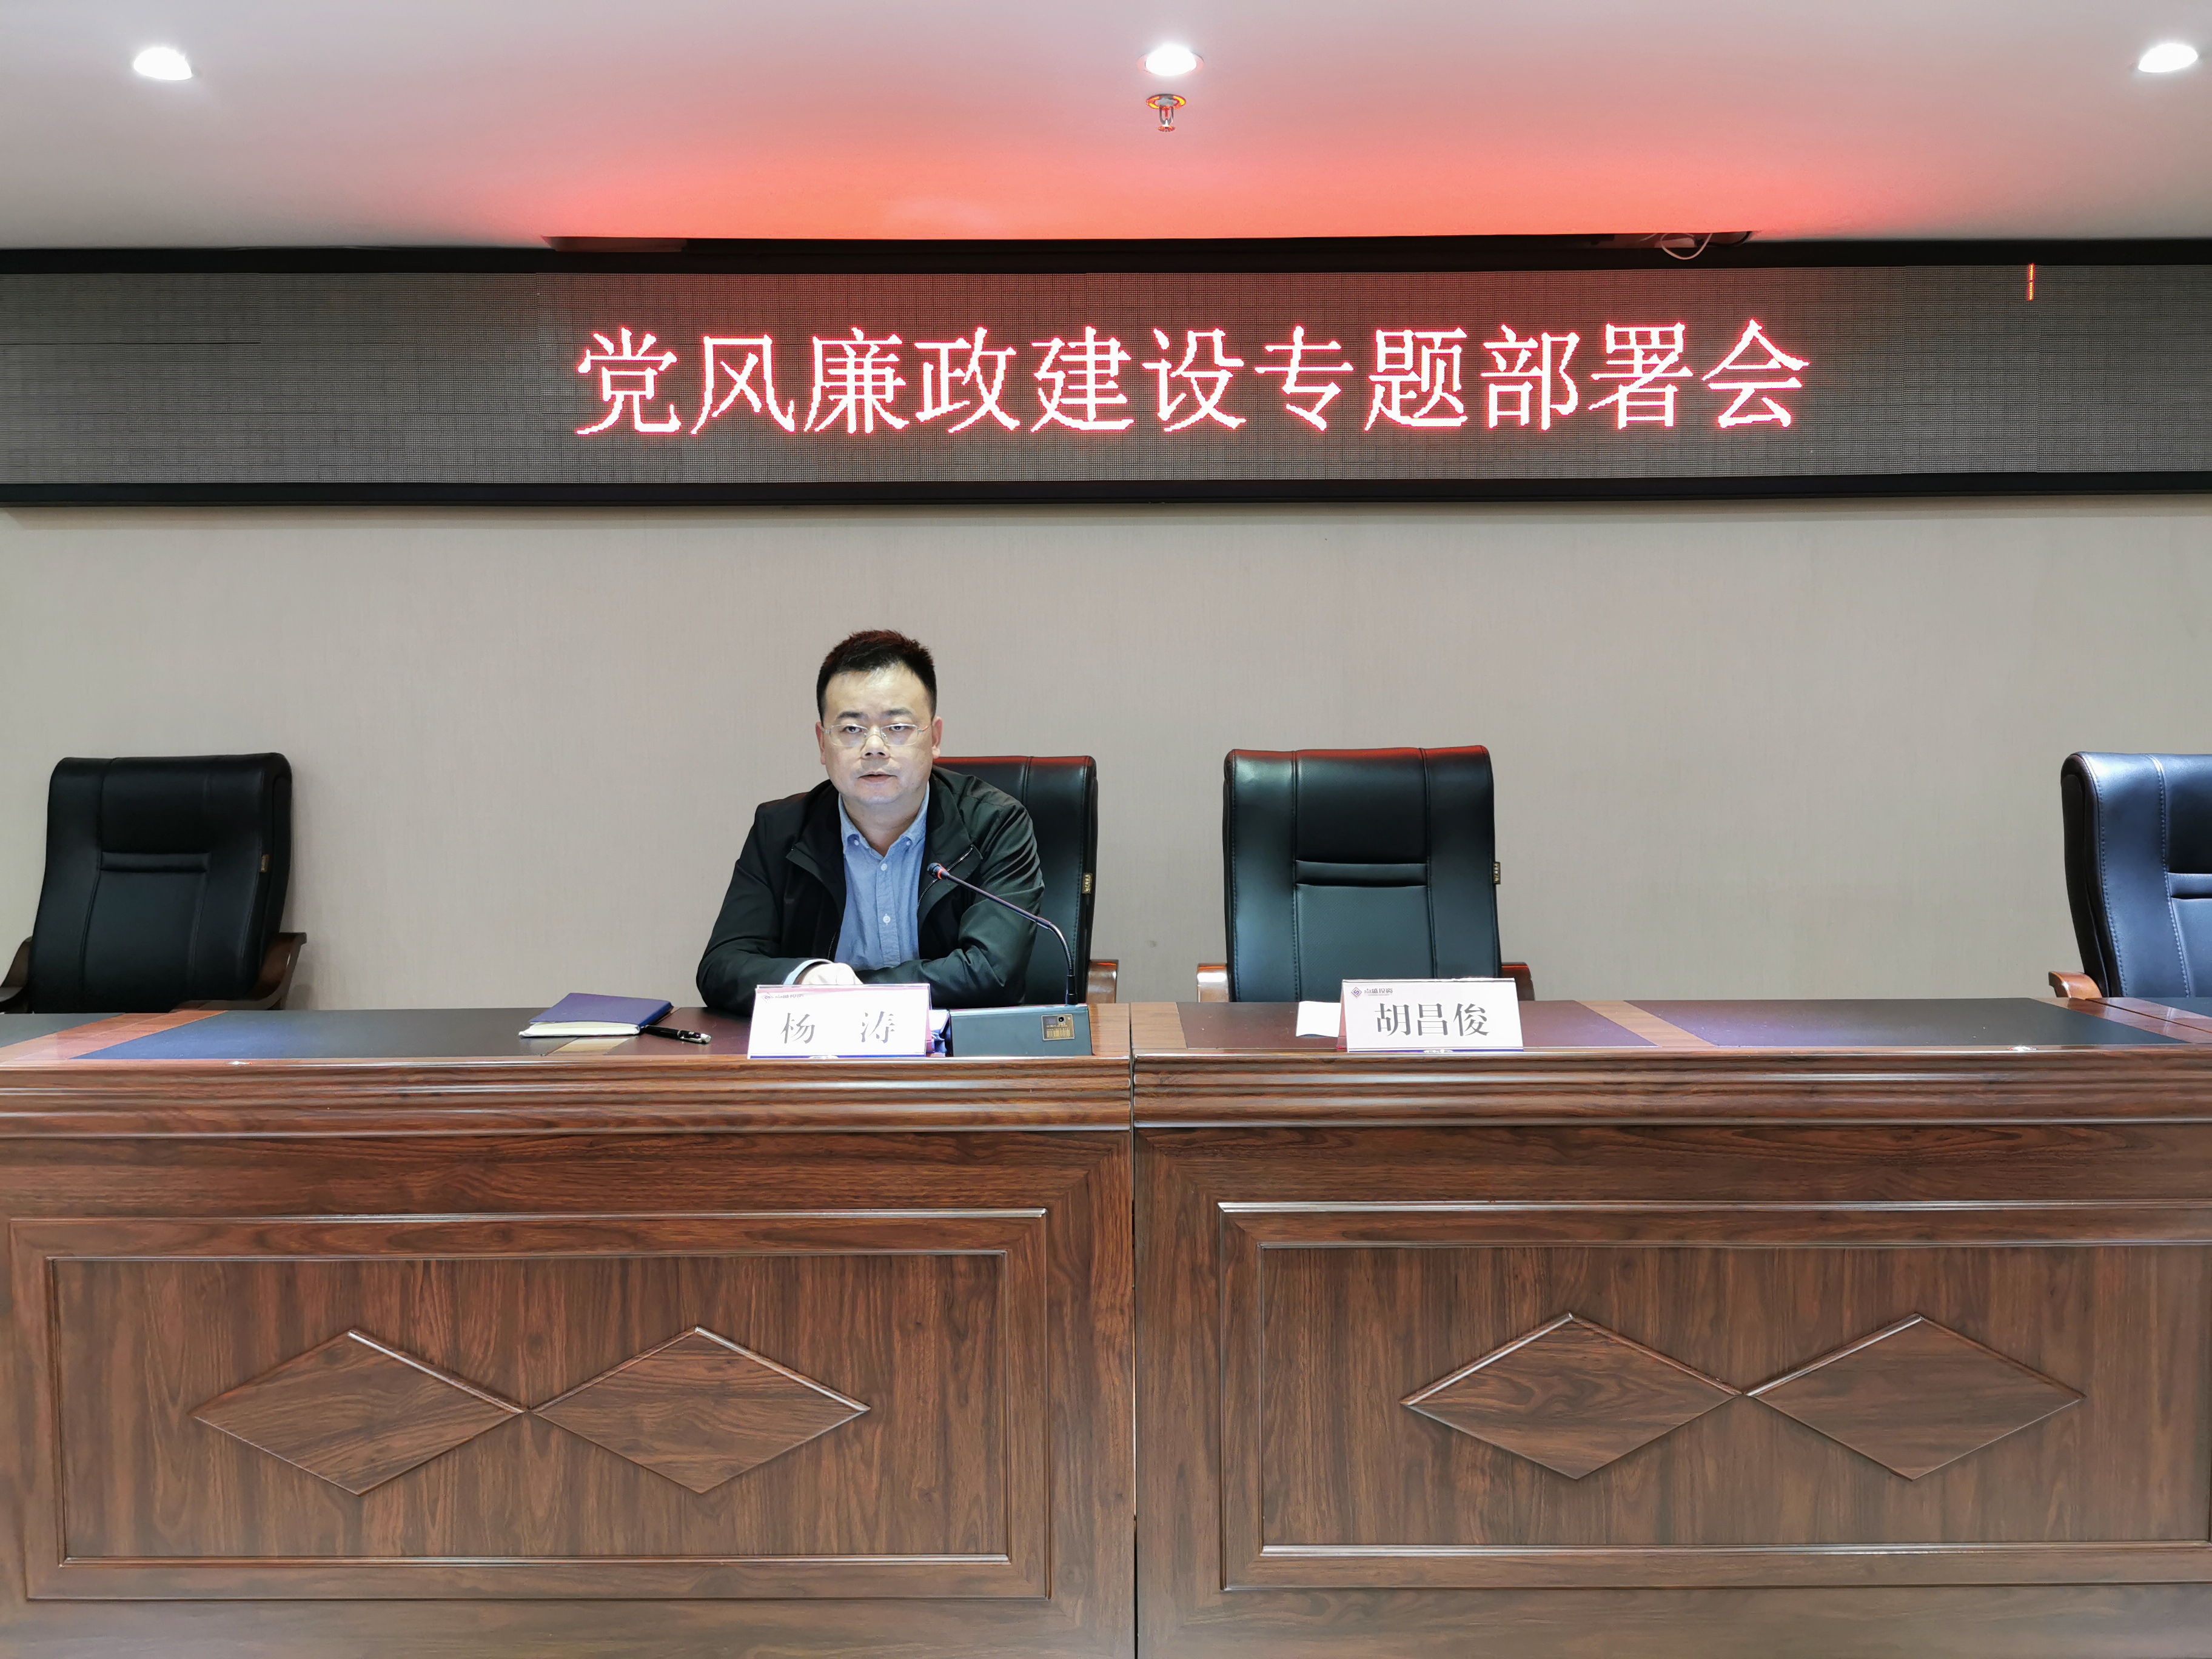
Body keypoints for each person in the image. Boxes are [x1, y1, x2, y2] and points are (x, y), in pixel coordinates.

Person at [697, 629, 1044, 1014]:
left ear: (934, 738)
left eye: (897, 727)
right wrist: (806, 978)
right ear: (822, 742)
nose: (874, 747)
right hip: (822, 1047)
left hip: (954, 1048)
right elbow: (722, 966)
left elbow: (993, 972)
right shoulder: (779, 830)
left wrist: (851, 992)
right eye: (851, 729)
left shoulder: (995, 825)